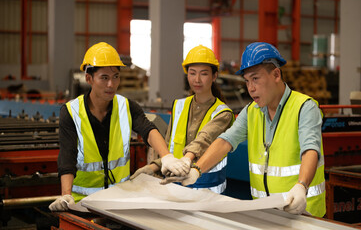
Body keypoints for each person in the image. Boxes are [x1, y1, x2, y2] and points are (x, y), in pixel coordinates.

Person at [163, 42, 326, 217]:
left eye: (256, 79)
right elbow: (225, 141)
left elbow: (310, 150)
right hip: (266, 213)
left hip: (302, 211)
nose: (251, 88)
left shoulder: (304, 107)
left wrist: (302, 186)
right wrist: (196, 170)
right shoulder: (251, 111)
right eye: (247, 81)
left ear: (276, 74)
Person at [49, 42, 189, 211]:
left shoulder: (126, 107)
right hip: (83, 203)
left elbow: (149, 130)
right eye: (104, 78)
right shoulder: (71, 112)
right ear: (89, 78)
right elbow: (67, 158)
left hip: (120, 199)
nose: (111, 84)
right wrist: (66, 195)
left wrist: (166, 156)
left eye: (115, 76)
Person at [130, 45, 234, 193]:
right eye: (192, 73)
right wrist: (152, 167)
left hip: (208, 191)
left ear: (214, 76)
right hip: (176, 188)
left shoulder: (222, 113)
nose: (197, 79)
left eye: (204, 74)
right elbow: (170, 151)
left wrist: (187, 159)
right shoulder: (179, 106)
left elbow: (204, 139)